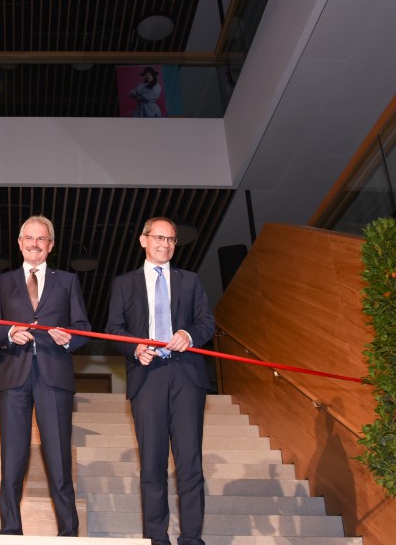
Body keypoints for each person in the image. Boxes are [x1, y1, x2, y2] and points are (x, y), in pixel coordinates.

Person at [105, 217, 215, 545]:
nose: (165, 244)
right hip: (147, 377)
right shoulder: (124, 284)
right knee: (152, 465)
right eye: (158, 238)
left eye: (170, 240)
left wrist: (188, 334)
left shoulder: (191, 280)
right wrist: (134, 347)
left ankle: (192, 538)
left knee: (190, 463)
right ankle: (156, 537)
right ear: (143, 240)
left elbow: (207, 323)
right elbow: (112, 330)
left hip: (186, 377)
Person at [0, 215, 91, 536]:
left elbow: (84, 328)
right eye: (28, 238)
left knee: (58, 460)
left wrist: (70, 337)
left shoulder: (68, 281)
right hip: (13, 379)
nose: (34, 243)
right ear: (19, 243)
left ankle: (68, 531)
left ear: (51, 245)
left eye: (41, 239)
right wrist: (9, 332)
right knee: (13, 459)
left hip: (55, 379)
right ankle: (10, 529)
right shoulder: (2, 283)